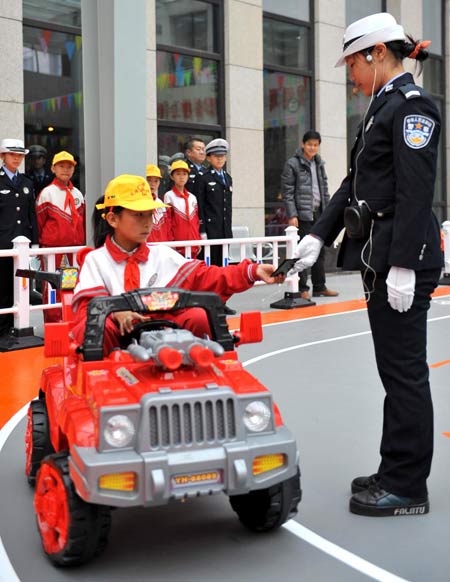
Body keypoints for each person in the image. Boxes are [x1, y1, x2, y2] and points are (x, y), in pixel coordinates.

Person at [291, 13, 442, 517]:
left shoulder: (413, 109)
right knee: (393, 372)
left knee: (404, 374)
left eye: (352, 64)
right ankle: (394, 466)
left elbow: (417, 193)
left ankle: (408, 487)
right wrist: (317, 235)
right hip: (381, 258)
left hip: (402, 261)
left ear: (377, 54)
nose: (351, 77)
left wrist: (404, 263)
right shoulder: (382, 108)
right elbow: (355, 184)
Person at [70, 174, 284, 355]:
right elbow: (88, 306)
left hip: (167, 340)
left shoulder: (162, 254)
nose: (147, 222)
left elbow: (205, 276)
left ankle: (204, 372)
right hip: (116, 347)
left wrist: (251, 270)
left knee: (200, 316)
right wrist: (114, 313)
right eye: (137, 215)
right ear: (112, 219)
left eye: (149, 215)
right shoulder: (96, 260)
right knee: (98, 325)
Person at [281, 131, 338, 299]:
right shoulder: (292, 164)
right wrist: (292, 215)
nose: (312, 147)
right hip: (302, 215)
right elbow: (288, 192)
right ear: (302, 144)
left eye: (315, 145)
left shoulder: (319, 164)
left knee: (319, 251)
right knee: (303, 251)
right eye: (309, 144)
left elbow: (324, 191)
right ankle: (301, 288)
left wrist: (329, 212)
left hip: (320, 214)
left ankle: (320, 287)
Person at [36, 151, 85, 322]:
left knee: (71, 284)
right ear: (53, 168)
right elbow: (39, 222)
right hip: (52, 250)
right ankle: (53, 322)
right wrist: (42, 246)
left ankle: (70, 320)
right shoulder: (47, 193)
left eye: (69, 166)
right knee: (51, 286)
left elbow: (82, 223)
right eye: (61, 166)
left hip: (73, 251)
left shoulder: (78, 194)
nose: (65, 170)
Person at [0, 138, 38, 345]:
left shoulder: (27, 182)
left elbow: (31, 215)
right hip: (3, 244)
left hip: (23, 244)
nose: (16, 158)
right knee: (3, 288)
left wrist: (36, 244)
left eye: (19, 155)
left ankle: (15, 330)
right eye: (12, 154)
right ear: (3, 156)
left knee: (21, 287)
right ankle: (2, 331)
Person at [196, 138, 235, 314]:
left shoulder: (227, 178)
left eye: (222, 156)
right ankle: (209, 303)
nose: (219, 159)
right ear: (209, 158)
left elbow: (228, 207)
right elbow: (200, 206)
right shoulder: (203, 178)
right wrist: (202, 229)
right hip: (211, 231)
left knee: (223, 268)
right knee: (211, 268)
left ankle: (221, 302)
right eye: (215, 156)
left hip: (224, 230)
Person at [164, 160, 201, 258]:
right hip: (178, 243)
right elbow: (168, 222)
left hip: (193, 242)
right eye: (178, 174)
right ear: (172, 177)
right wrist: (171, 242)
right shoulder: (169, 196)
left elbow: (196, 221)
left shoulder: (192, 197)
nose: (181, 177)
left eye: (184, 174)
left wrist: (198, 240)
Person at [145, 164, 171, 244]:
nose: (152, 184)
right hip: (147, 246)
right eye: (149, 180)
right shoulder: (140, 202)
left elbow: (167, 227)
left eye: (156, 181)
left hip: (162, 246)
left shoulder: (159, 202)